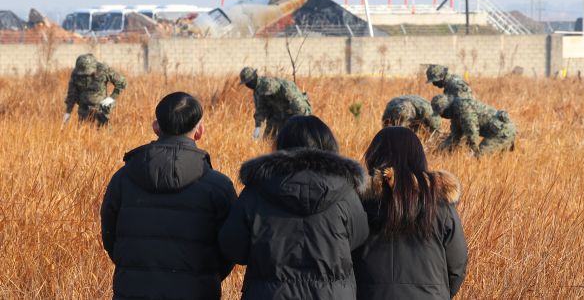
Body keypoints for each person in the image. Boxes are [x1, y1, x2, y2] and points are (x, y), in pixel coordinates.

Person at [100, 92, 237, 300]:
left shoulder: (122, 179)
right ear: (199, 131)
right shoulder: (218, 186)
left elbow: (110, 240)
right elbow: (229, 250)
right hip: (198, 292)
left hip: (132, 292)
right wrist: (203, 276)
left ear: (156, 127)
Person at [219, 115, 369, 300]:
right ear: (329, 146)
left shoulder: (255, 191)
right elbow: (359, 239)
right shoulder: (346, 193)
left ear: (281, 147)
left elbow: (233, 249)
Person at [352, 127, 468, 300]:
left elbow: (341, 257)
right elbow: (457, 264)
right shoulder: (439, 202)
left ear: (374, 154)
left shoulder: (356, 200)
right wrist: (440, 293)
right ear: (419, 156)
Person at [431, 94, 517, 157]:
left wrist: (472, 151)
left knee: (479, 157)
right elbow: (454, 137)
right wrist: (441, 151)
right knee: (497, 161)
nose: (440, 115)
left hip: (502, 131)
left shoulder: (463, 108)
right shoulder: (455, 114)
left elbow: (472, 131)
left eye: (440, 112)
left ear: (447, 107)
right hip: (496, 132)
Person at [239, 66, 313, 139]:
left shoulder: (288, 90)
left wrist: (301, 130)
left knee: (293, 139)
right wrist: (258, 128)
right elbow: (261, 108)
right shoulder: (262, 89)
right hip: (278, 114)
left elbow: (300, 112)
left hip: (294, 114)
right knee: (270, 140)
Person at [63, 54, 127, 128]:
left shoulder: (104, 69)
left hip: (101, 109)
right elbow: (72, 94)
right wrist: (68, 112)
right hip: (84, 110)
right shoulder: (76, 74)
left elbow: (122, 82)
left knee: (104, 134)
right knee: (83, 135)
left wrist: (112, 97)